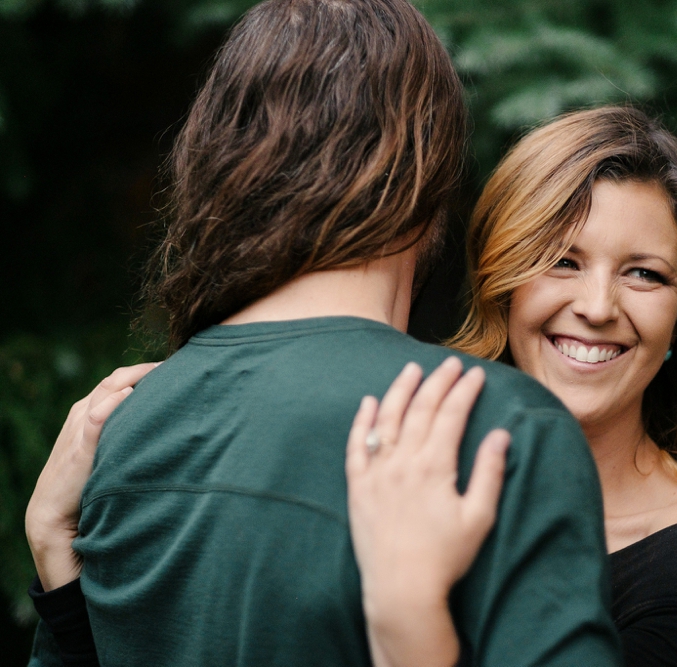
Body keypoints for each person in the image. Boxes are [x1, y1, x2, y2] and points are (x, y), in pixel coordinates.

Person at [29, 106, 677, 666]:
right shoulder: (393, 458)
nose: (600, 305)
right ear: (500, 280)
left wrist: (411, 615)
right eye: (561, 259)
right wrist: (60, 559)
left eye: (645, 273)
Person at [22, 0, 625, 665]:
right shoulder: (491, 430)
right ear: (423, 170)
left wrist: (56, 553)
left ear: (218, 164)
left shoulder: (123, 436)